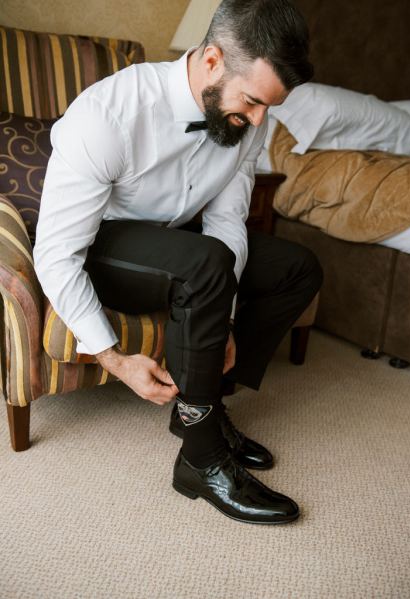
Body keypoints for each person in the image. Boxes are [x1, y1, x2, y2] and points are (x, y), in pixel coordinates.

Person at [34, 0, 323, 525]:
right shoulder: (108, 115)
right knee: (206, 264)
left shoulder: (249, 118)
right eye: (253, 102)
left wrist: (226, 317)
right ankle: (201, 457)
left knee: (296, 268)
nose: (260, 122)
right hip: (103, 246)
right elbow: (56, 255)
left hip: (183, 242)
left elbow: (229, 221)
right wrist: (113, 359)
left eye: (268, 108)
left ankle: (203, 407)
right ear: (212, 60)